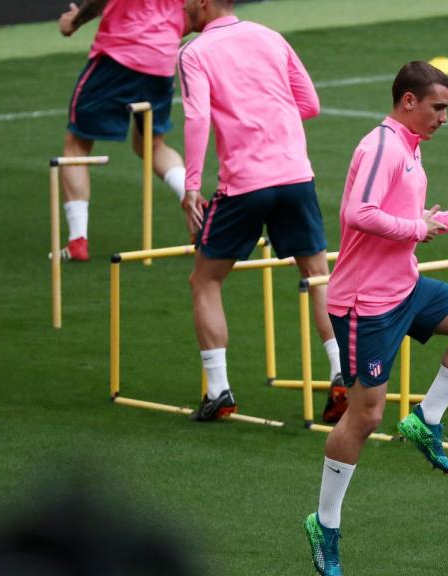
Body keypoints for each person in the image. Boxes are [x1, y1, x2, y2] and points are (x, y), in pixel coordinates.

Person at [304, 61, 448, 576]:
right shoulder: (383, 146)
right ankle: (324, 524)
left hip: (406, 288)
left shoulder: (411, 148)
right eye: (439, 107)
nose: (444, 117)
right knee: (365, 417)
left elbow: (417, 223)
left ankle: (426, 419)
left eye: (447, 109)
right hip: (364, 304)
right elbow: (359, 213)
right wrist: (418, 226)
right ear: (409, 101)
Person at [179, 0, 345, 422]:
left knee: (205, 279)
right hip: (295, 175)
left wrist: (192, 185)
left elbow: (197, 118)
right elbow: (310, 104)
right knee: (317, 274)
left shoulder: (195, 53)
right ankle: (342, 372)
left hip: (244, 184)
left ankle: (218, 390)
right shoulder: (270, 36)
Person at [56, 0, 189, 262]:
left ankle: (77, 241)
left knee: (77, 143)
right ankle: (193, 199)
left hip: (119, 54)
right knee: (151, 145)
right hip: (161, 57)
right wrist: (165, 29)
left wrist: (75, 20)